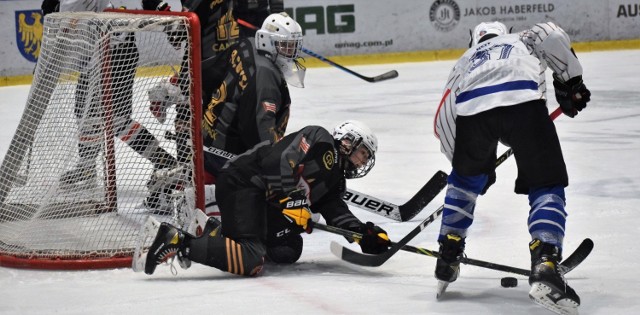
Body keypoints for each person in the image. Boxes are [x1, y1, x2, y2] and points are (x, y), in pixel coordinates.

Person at [433, 21, 591, 314]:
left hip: (473, 114)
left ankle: (449, 251)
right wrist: (571, 83)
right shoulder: (521, 39)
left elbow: (443, 120)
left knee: (464, 184)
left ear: (474, 41)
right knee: (545, 183)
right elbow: (552, 35)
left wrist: (471, 168)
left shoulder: (465, 61)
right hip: (523, 103)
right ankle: (545, 261)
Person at [139, 121, 391, 276]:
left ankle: (218, 232)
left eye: (366, 158)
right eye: (361, 153)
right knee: (251, 260)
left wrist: (363, 233)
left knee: (287, 250)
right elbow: (277, 161)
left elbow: (335, 210)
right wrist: (292, 199)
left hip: (262, 198)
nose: (361, 161)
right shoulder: (320, 139)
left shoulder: (336, 181)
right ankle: (175, 240)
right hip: (244, 181)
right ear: (347, 141)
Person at [41, 0, 178, 196]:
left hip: (118, 53)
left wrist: (162, 11)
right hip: (95, 55)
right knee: (84, 114)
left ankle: (162, 160)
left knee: (117, 119)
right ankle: (87, 168)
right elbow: (54, 12)